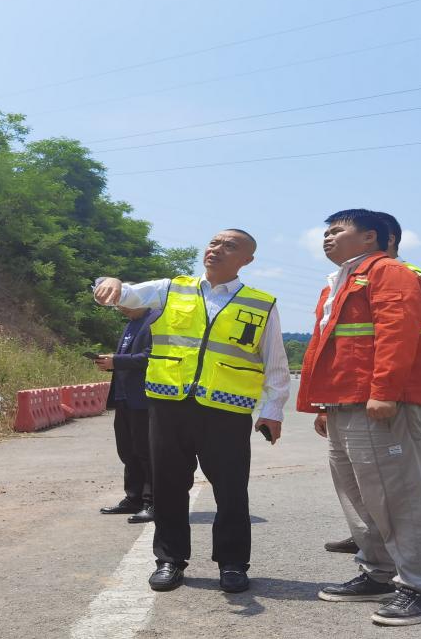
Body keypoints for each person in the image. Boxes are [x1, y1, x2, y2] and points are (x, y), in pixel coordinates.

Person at [92, 229, 289, 595]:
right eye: (214, 242)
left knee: (231, 490)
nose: (217, 249)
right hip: (169, 405)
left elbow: (275, 361)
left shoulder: (261, 304)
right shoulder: (170, 289)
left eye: (230, 246)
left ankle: (232, 563)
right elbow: (125, 293)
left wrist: (273, 410)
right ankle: (169, 560)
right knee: (168, 486)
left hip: (227, 410)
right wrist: (111, 282)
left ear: (247, 259)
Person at [296, 209, 421, 627]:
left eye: (337, 230)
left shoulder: (389, 272)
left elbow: (398, 332)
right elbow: (331, 347)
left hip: (377, 402)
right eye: (325, 232)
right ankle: (378, 573)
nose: (327, 238)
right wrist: (323, 404)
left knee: (400, 497)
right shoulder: (340, 280)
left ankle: (420, 589)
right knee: (358, 495)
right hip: (344, 402)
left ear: (370, 237)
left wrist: (385, 391)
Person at [97, 305, 158, 524]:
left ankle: (152, 502)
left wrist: (117, 361)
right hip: (124, 396)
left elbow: (152, 356)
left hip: (143, 398)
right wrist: (110, 362)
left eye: (125, 303)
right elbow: (125, 356)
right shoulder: (131, 323)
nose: (121, 308)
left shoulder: (155, 320)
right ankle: (134, 498)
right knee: (127, 450)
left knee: (146, 452)